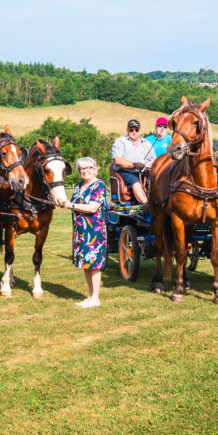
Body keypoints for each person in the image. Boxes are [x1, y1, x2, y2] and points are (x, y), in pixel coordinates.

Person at [57, 157, 107, 307]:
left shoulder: (99, 185)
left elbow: (92, 207)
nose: (85, 171)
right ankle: (90, 296)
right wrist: (64, 204)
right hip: (80, 231)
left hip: (94, 231)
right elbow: (73, 204)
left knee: (94, 265)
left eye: (88, 168)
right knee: (86, 264)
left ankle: (96, 298)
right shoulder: (80, 186)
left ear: (94, 169)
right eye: (81, 169)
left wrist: (71, 205)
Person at [111, 119, 155, 204]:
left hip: (144, 172)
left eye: (136, 130)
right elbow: (118, 160)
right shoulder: (120, 141)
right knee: (136, 183)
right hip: (126, 171)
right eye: (131, 130)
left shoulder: (147, 143)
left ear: (140, 130)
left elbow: (153, 160)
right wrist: (134, 165)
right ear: (127, 130)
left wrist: (150, 168)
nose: (134, 132)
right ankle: (146, 205)